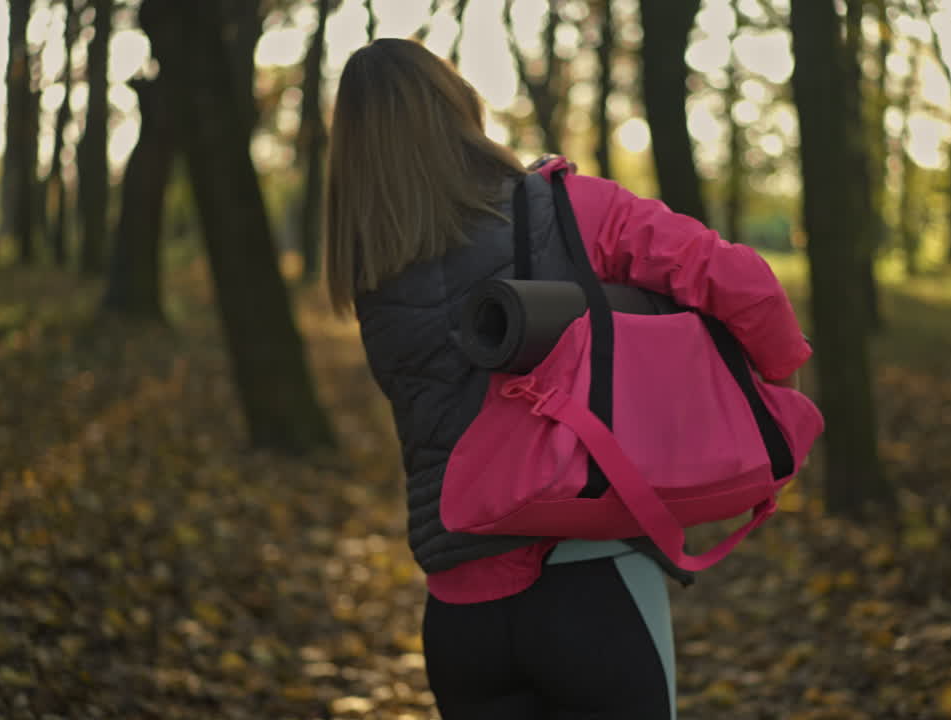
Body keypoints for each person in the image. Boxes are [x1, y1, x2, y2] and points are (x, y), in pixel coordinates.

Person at [325, 38, 811, 720]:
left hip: (460, 622)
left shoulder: (372, 273)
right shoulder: (561, 207)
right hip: (588, 583)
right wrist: (778, 374)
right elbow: (742, 283)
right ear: (458, 109)